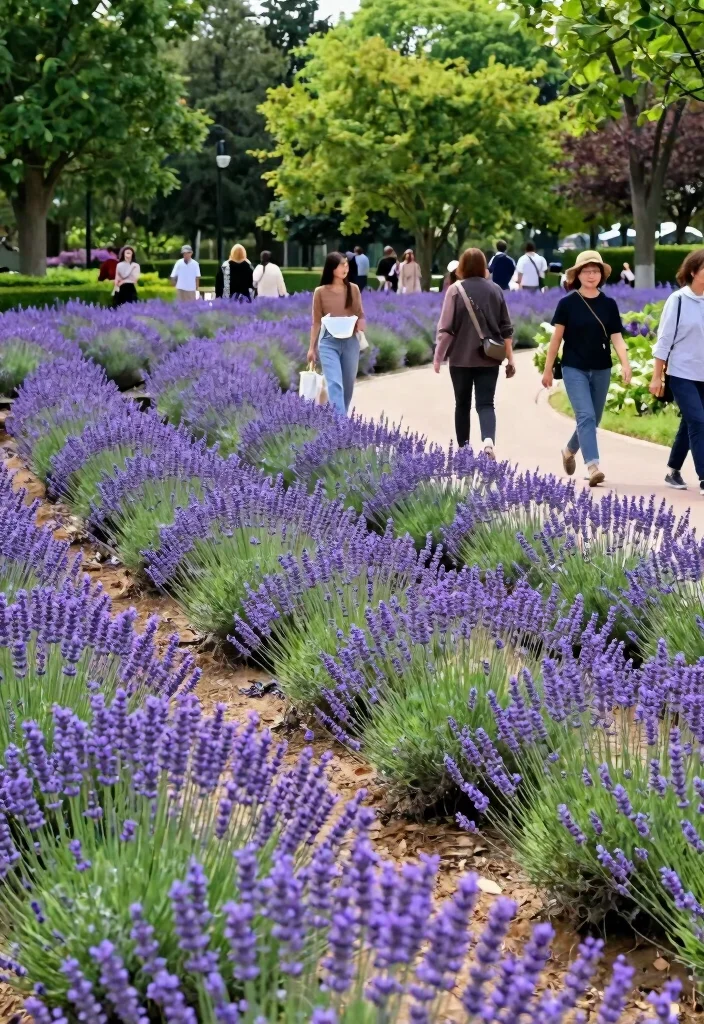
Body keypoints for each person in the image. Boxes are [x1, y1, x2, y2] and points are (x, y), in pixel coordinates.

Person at [541, 250, 632, 487]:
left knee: (594, 418)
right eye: (586, 271)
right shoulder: (567, 303)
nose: (591, 275)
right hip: (574, 367)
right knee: (586, 415)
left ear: (601, 275)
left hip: (602, 367)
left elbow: (617, 338)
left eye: (595, 271)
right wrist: (548, 369)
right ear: (577, 274)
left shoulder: (609, 304)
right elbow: (556, 340)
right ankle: (593, 466)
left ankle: (569, 450)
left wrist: (626, 363)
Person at [433, 247, 516, 458]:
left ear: (461, 267)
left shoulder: (454, 290)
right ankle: (488, 440)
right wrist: (510, 358)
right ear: (483, 266)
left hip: (460, 358)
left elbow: (445, 328)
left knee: (462, 404)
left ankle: (463, 451)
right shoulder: (495, 289)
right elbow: (506, 328)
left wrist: (438, 357)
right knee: (486, 403)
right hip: (490, 357)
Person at [650, 248, 704, 494]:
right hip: (682, 373)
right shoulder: (678, 300)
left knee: (690, 422)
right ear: (693, 271)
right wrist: (656, 376)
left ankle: (673, 470)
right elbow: (664, 340)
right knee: (699, 421)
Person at [308, 252, 366, 416]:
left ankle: (341, 419)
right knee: (334, 384)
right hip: (328, 342)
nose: (345, 267)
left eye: (347, 264)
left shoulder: (353, 289)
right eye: (342, 264)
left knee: (347, 386)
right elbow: (316, 322)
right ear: (332, 268)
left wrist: (361, 323)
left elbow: (360, 314)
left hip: (350, 341)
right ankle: (341, 425)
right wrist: (311, 348)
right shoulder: (320, 292)